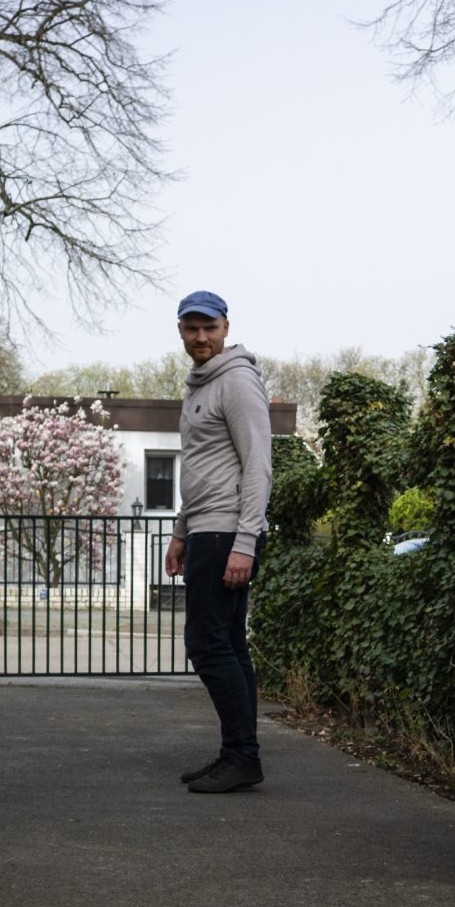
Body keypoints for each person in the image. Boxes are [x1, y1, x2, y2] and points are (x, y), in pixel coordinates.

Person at [163, 291, 272, 793]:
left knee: (206, 646)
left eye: (209, 327)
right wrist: (181, 531)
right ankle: (236, 754)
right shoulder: (198, 386)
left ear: (226, 327)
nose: (201, 337)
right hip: (205, 529)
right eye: (191, 328)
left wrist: (245, 541)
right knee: (228, 645)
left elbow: (258, 467)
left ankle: (243, 756)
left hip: (228, 531)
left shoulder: (238, 381)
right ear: (181, 332)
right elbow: (201, 470)